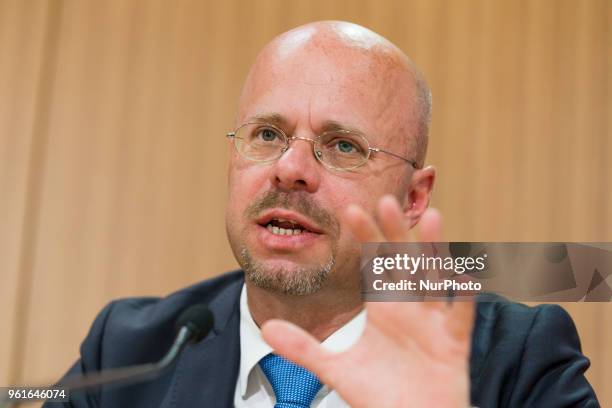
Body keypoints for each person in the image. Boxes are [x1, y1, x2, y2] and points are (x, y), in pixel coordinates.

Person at [45, 21, 599, 407]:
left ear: (413, 198)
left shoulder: (519, 359)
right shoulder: (127, 350)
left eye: (342, 147)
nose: (290, 169)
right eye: (266, 134)